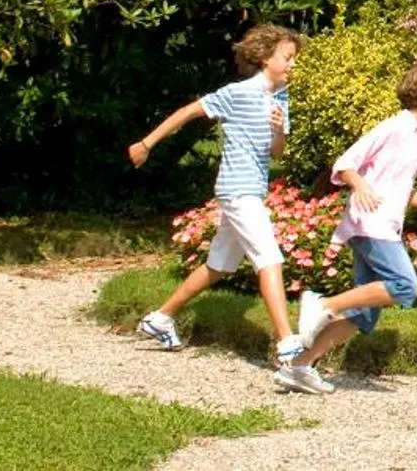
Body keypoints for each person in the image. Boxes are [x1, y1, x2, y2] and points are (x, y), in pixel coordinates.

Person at [127, 22, 306, 369]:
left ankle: (160, 319)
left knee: (219, 266)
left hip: (252, 189)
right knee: (270, 258)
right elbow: (188, 111)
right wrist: (146, 143)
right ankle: (287, 344)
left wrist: (276, 127)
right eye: (287, 58)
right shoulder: (238, 93)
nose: (292, 65)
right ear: (266, 58)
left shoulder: (281, 98)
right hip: (237, 190)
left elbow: (277, 154)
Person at [275, 59, 417, 395]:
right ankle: (324, 304)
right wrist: (359, 186)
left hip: (385, 221)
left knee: (364, 315)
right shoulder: (395, 127)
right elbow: (346, 163)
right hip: (369, 222)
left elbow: (395, 184)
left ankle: (299, 368)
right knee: (404, 286)